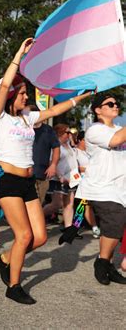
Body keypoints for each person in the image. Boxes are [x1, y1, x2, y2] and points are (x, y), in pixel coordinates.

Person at [0, 38, 92, 304]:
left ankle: (5, 260)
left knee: (41, 237)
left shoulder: (28, 118)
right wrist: (19, 55)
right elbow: (4, 89)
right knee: (23, 235)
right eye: (22, 93)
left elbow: (56, 109)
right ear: (11, 94)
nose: (27, 96)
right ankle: (13, 285)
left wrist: (79, 98)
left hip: (28, 183)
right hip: (8, 181)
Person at [75, 94, 125, 285]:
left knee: (114, 227)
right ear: (97, 110)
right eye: (110, 104)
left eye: (116, 103)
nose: (115, 106)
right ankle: (102, 262)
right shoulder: (95, 130)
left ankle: (109, 265)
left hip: (120, 188)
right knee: (115, 221)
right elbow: (115, 141)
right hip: (101, 187)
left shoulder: (120, 128)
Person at [42, 124, 80, 234]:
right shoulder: (56, 146)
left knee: (69, 203)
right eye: (67, 133)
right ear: (59, 133)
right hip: (59, 179)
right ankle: (38, 217)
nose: (69, 134)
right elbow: (51, 162)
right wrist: (60, 177)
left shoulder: (68, 144)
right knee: (56, 204)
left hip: (71, 178)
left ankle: (68, 228)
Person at [31, 106, 60, 205]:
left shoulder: (48, 130)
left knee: (39, 204)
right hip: (26, 174)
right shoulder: (23, 129)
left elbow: (56, 147)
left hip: (43, 174)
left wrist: (53, 165)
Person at [74, 131, 100, 238]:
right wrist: (88, 169)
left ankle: (93, 227)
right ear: (80, 140)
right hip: (80, 183)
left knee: (88, 206)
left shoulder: (89, 153)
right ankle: (77, 227)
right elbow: (75, 167)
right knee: (83, 205)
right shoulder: (75, 152)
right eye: (85, 140)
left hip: (91, 182)